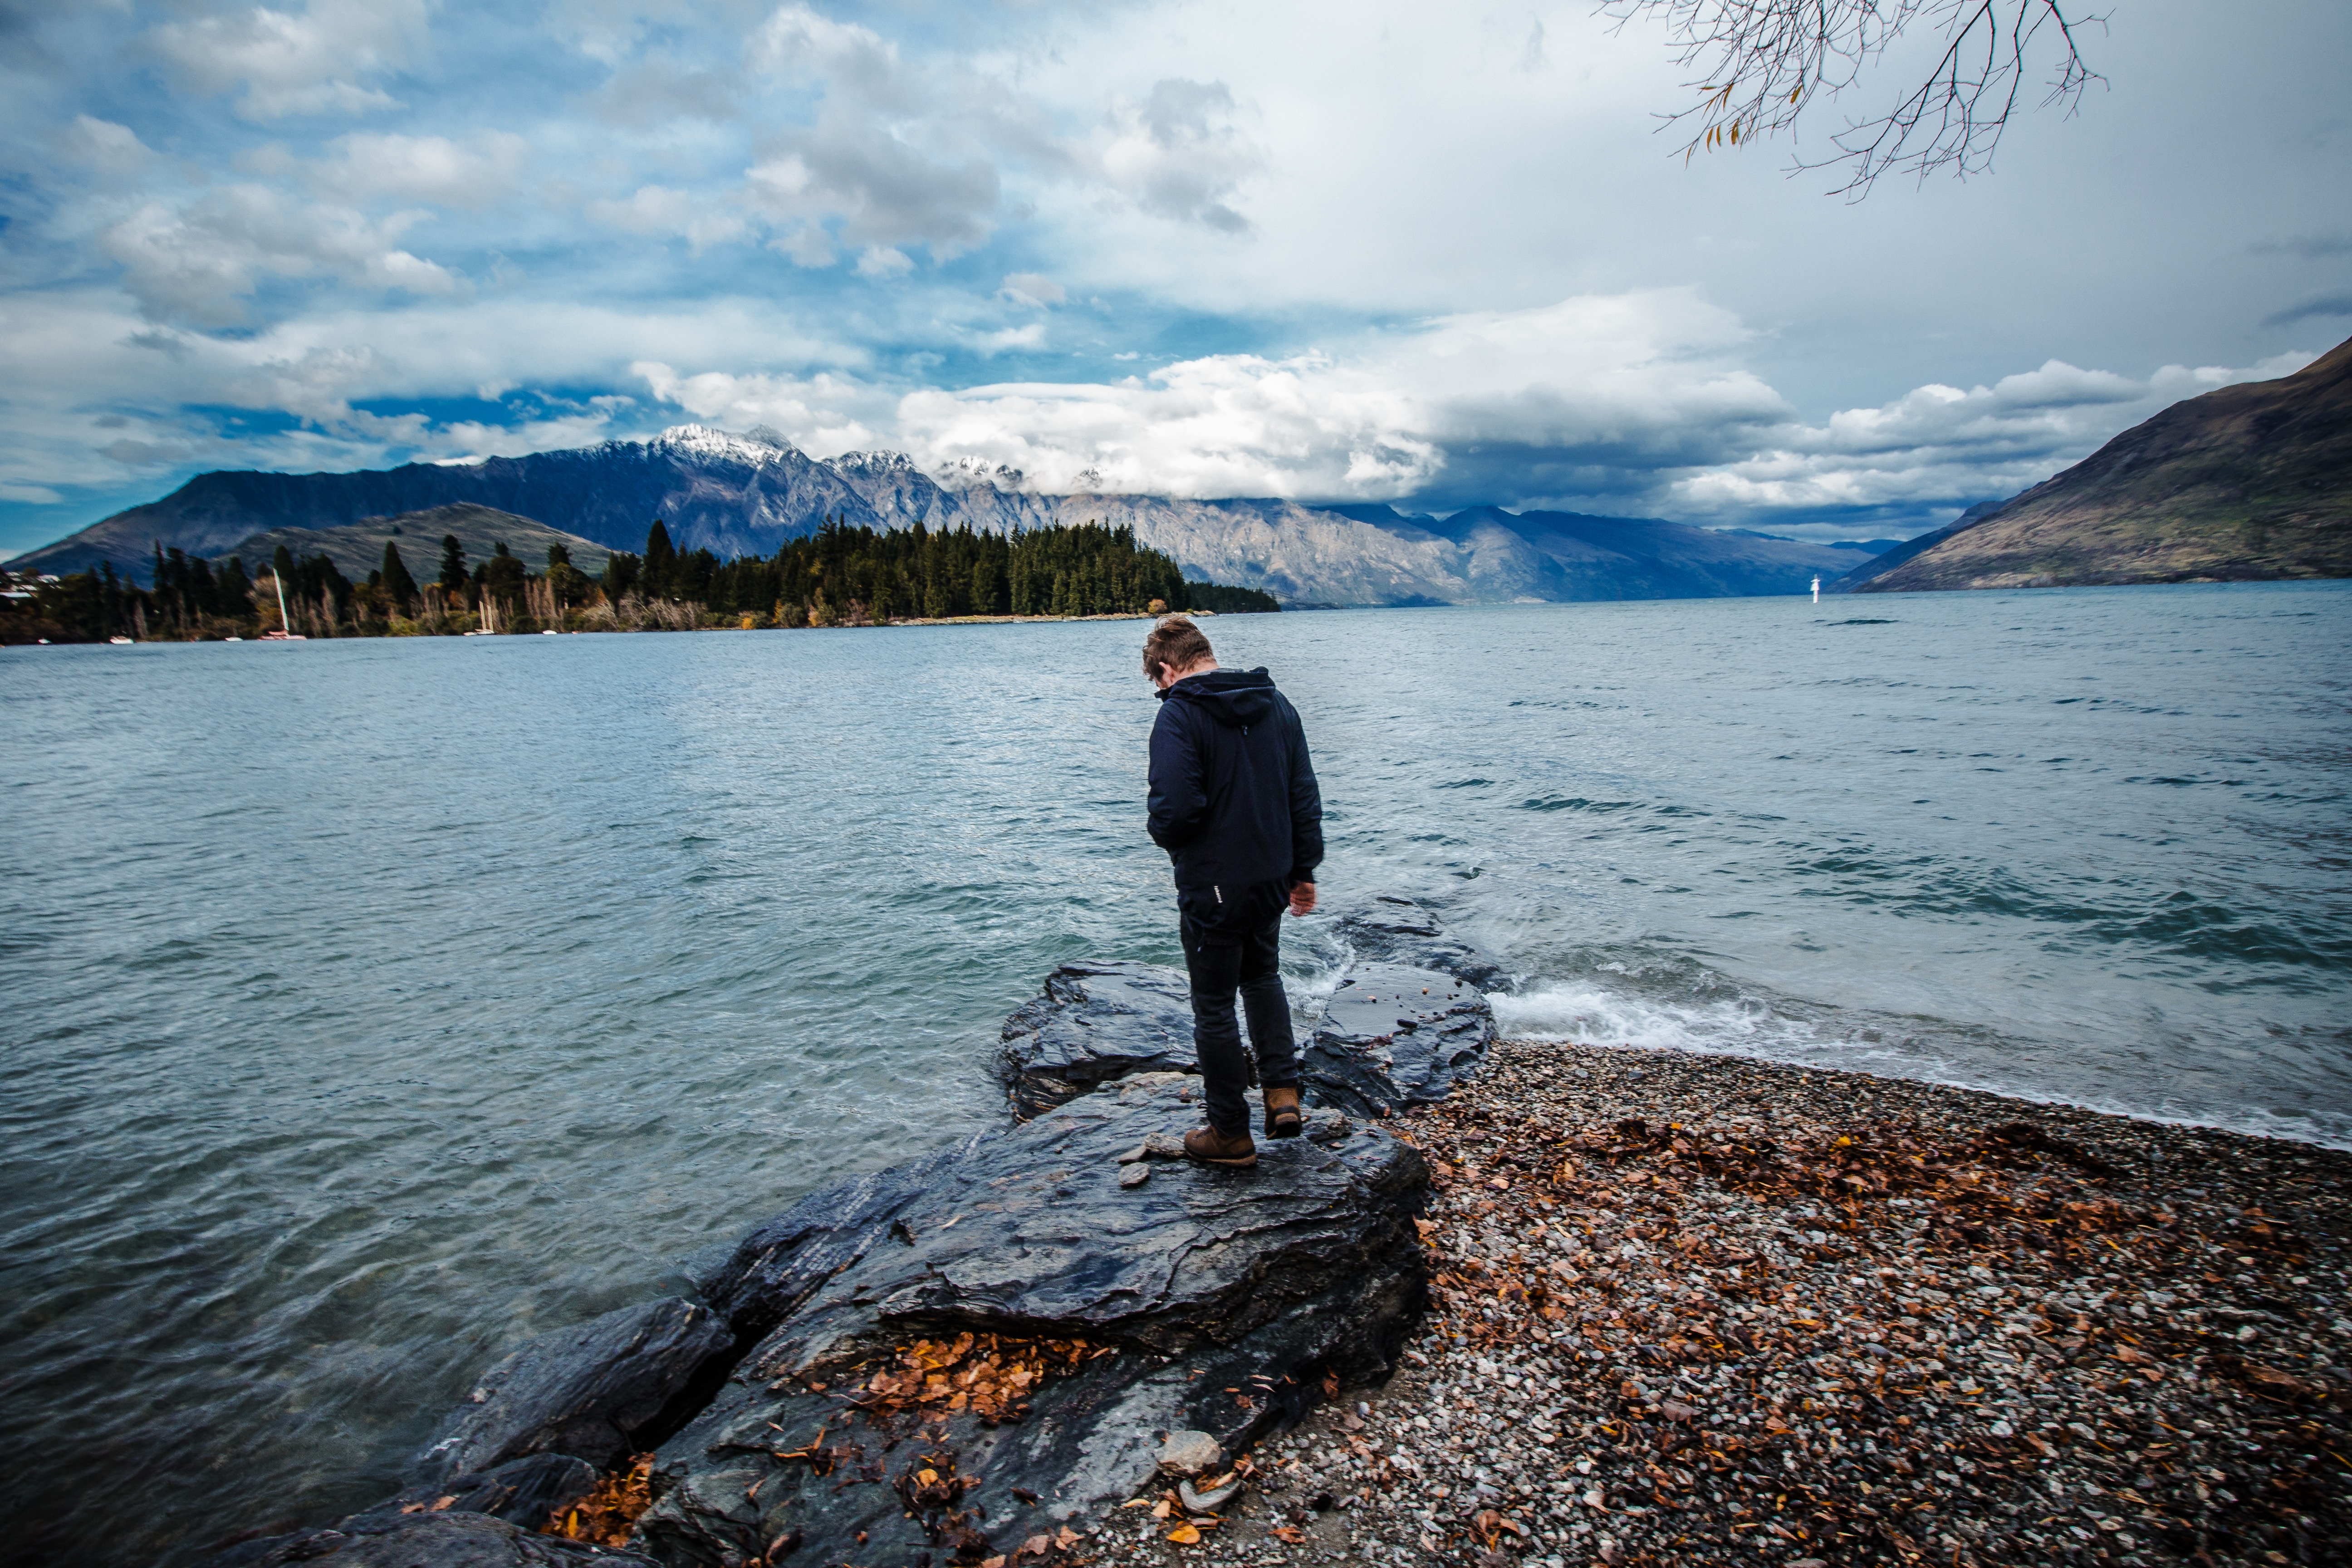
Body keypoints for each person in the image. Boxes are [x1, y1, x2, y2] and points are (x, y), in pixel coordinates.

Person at [1142, 615, 1323, 1168]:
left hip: (1213, 884)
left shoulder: (1180, 714)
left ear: (1168, 670)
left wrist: (1162, 834)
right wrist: (1304, 870)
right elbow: (1303, 792)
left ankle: (1229, 1133)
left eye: (1156, 683)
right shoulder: (1276, 702)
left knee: (1215, 1007)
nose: (1158, 692)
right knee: (1263, 976)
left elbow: (1176, 810)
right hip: (1271, 876)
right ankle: (1283, 1095)